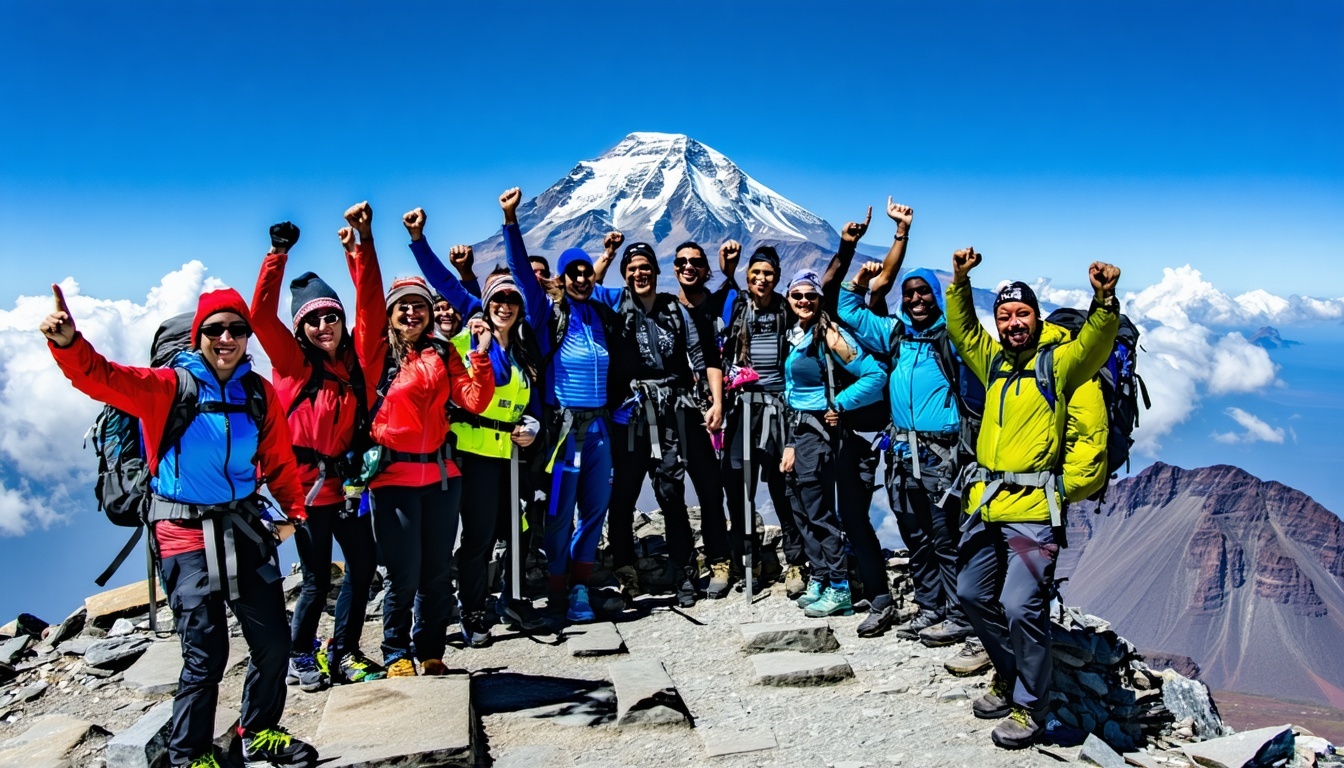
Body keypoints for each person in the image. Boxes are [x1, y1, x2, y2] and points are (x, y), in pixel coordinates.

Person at [42, 286, 318, 768]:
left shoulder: (258, 392)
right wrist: (68, 344)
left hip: (244, 528)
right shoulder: (168, 386)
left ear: (247, 337)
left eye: (237, 329)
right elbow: (103, 378)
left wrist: (294, 514)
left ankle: (259, 732)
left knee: (274, 642)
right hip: (182, 534)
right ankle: (189, 755)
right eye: (215, 329)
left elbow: (278, 458)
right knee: (206, 653)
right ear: (198, 336)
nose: (227, 338)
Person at [945, 246, 1120, 748]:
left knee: (1020, 606)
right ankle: (1008, 674)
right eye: (1004, 316)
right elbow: (963, 331)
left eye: (1022, 313)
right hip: (987, 504)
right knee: (972, 595)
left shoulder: (1058, 363)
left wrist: (1104, 301)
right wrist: (959, 282)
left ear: (1036, 317)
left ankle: (1031, 707)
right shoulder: (994, 361)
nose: (1013, 323)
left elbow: (1094, 346)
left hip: (1033, 512)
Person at [342, 201, 496, 676]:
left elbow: (474, 401)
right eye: (402, 307)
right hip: (394, 479)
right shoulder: (375, 355)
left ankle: (430, 651)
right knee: (403, 575)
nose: (411, 312)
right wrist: (366, 241)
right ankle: (395, 653)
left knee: (436, 572)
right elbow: (367, 298)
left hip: (442, 478)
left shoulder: (443, 352)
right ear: (390, 315)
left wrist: (481, 356)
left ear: (431, 312)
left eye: (419, 305)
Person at [249, 222, 383, 688]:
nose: (324, 326)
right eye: (313, 320)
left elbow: (370, 305)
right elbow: (260, 317)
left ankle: (344, 650)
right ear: (300, 329)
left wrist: (362, 246)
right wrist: (276, 254)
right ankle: (300, 653)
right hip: (306, 493)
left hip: (346, 489)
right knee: (315, 580)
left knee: (363, 566)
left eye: (331, 317)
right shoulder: (291, 364)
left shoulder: (354, 363)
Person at [401, 207, 542, 645]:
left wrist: (533, 425)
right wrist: (419, 241)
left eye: (511, 300)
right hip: (474, 454)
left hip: (510, 454)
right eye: (497, 299)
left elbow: (529, 401)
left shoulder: (523, 347)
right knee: (478, 536)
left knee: (516, 528)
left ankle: (512, 599)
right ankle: (473, 609)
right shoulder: (472, 336)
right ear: (485, 303)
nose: (504, 306)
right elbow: (445, 283)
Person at [499, 187, 618, 625]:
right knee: (559, 514)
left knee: (595, 509)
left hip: (600, 428)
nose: (582, 279)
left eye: (587, 273)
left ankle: (580, 588)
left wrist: (607, 257)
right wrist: (510, 220)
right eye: (573, 273)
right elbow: (519, 270)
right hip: (564, 431)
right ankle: (555, 593)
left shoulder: (599, 313)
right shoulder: (547, 315)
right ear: (562, 279)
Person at [591, 236, 717, 608]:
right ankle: (626, 572)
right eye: (632, 269)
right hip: (629, 417)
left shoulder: (674, 309)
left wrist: (709, 398)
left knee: (671, 492)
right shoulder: (614, 304)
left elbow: (697, 352)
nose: (639, 273)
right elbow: (588, 287)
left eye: (645, 267)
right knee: (623, 495)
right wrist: (608, 255)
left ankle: (684, 572)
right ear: (624, 274)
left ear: (656, 271)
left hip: (671, 416)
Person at [779, 269, 885, 617]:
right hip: (799, 431)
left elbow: (875, 375)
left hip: (820, 434)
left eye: (811, 295)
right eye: (797, 295)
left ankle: (839, 586)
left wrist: (839, 404)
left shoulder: (829, 334)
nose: (804, 301)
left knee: (818, 510)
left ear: (820, 299)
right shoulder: (795, 333)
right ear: (789, 298)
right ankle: (821, 577)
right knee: (801, 508)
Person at [719, 243, 808, 596]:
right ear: (747, 276)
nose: (761, 278)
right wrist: (726, 270)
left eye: (768, 273)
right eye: (755, 272)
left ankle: (795, 562)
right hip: (741, 408)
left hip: (778, 409)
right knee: (739, 488)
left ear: (777, 277)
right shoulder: (738, 307)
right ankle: (747, 560)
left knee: (784, 488)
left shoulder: (788, 311)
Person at [665, 241, 731, 597]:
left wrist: (717, 402)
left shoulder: (719, 304)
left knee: (710, 488)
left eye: (695, 262)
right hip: (673, 413)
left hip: (710, 412)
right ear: (673, 267)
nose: (687, 266)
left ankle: (720, 560)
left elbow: (713, 360)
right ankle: (685, 568)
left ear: (706, 270)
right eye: (681, 261)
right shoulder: (664, 308)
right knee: (671, 491)